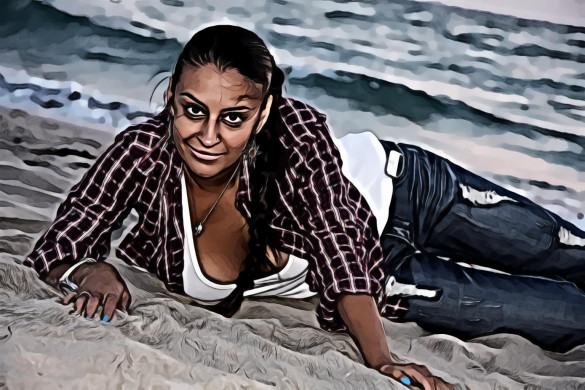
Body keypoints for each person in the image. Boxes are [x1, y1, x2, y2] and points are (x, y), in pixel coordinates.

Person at [22, 24, 584, 389]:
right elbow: (63, 239)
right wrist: (91, 266)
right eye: (193, 110)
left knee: (568, 252)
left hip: (413, 188)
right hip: (389, 276)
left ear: (262, 115)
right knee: (567, 318)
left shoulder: (296, 134)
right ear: (171, 98)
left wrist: (379, 360)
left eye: (233, 118)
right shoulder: (143, 154)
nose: (208, 136)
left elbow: (339, 236)